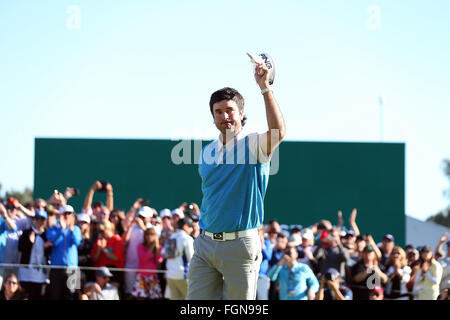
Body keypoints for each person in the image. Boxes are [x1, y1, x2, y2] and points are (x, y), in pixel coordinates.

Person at [187, 60, 286, 300]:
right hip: (205, 245)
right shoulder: (206, 151)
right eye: (218, 112)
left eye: (230, 110)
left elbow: (278, 133)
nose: (225, 116)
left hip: (240, 245)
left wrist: (265, 88)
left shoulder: (252, 145)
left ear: (241, 113)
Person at [46, 204, 82, 300]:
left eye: (69, 213)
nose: (66, 216)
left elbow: (77, 241)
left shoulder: (76, 229)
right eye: (64, 213)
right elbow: (53, 242)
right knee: (55, 296)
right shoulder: (53, 229)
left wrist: (71, 230)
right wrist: (61, 230)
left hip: (72, 269)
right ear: (60, 215)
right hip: (56, 269)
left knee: (72, 296)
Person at [17, 209, 52, 300]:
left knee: (39, 296)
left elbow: (50, 252)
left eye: (42, 220)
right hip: (26, 273)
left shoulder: (47, 235)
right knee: (25, 296)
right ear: (34, 220)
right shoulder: (26, 233)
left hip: (40, 274)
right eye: (37, 219)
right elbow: (20, 248)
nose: (39, 222)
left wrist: (47, 247)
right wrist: (30, 242)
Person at [122, 202, 151, 299]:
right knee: (130, 293)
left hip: (144, 268)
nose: (141, 219)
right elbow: (125, 240)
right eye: (140, 216)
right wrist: (130, 226)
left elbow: (152, 242)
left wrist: (142, 226)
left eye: (144, 217)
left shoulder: (151, 229)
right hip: (130, 265)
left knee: (142, 295)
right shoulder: (133, 227)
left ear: (149, 218)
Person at [91, 220, 125, 296]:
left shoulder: (117, 240)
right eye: (99, 231)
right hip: (100, 272)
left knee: (111, 293)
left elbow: (116, 258)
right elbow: (94, 259)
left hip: (114, 272)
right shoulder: (98, 241)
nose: (100, 234)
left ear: (108, 229)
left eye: (102, 231)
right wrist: (99, 250)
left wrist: (104, 249)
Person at [164, 217, 194, 300]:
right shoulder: (187, 238)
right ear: (185, 226)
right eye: (190, 226)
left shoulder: (171, 237)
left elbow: (164, 253)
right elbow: (191, 259)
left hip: (170, 274)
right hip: (182, 275)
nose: (192, 229)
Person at [132, 227, 163, 300]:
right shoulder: (140, 246)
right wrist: (151, 248)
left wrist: (157, 248)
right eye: (147, 234)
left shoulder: (158, 247)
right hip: (142, 275)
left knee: (153, 297)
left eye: (152, 234)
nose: (149, 236)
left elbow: (158, 261)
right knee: (140, 297)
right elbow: (143, 259)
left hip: (152, 276)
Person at [268, 232, 288, 300]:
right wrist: (274, 248)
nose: (280, 242)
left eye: (282, 240)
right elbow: (270, 261)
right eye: (279, 240)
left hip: (284, 277)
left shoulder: (288, 250)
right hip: (274, 277)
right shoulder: (273, 250)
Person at [256, 225, 273, 300]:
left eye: (259, 232)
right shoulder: (251, 244)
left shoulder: (267, 243)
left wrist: (262, 245)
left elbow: (268, 257)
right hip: (250, 276)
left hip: (262, 277)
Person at [77, 213, 95, 283]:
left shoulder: (91, 239)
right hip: (74, 268)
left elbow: (91, 254)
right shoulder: (72, 236)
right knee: (73, 291)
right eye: (80, 222)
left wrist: (84, 258)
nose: (82, 225)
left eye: (84, 223)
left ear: (88, 225)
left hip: (87, 270)